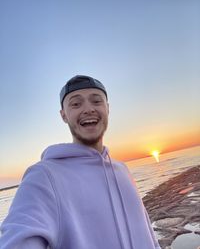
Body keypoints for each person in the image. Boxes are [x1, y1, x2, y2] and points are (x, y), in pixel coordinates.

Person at [0, 75, 161, 249]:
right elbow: (18, 239)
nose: (88, 109)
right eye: (76, 104)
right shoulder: (44, 176)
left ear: (108, 108)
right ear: (64, 116)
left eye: (96, 101)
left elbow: (148, 234)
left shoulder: (122, 170)